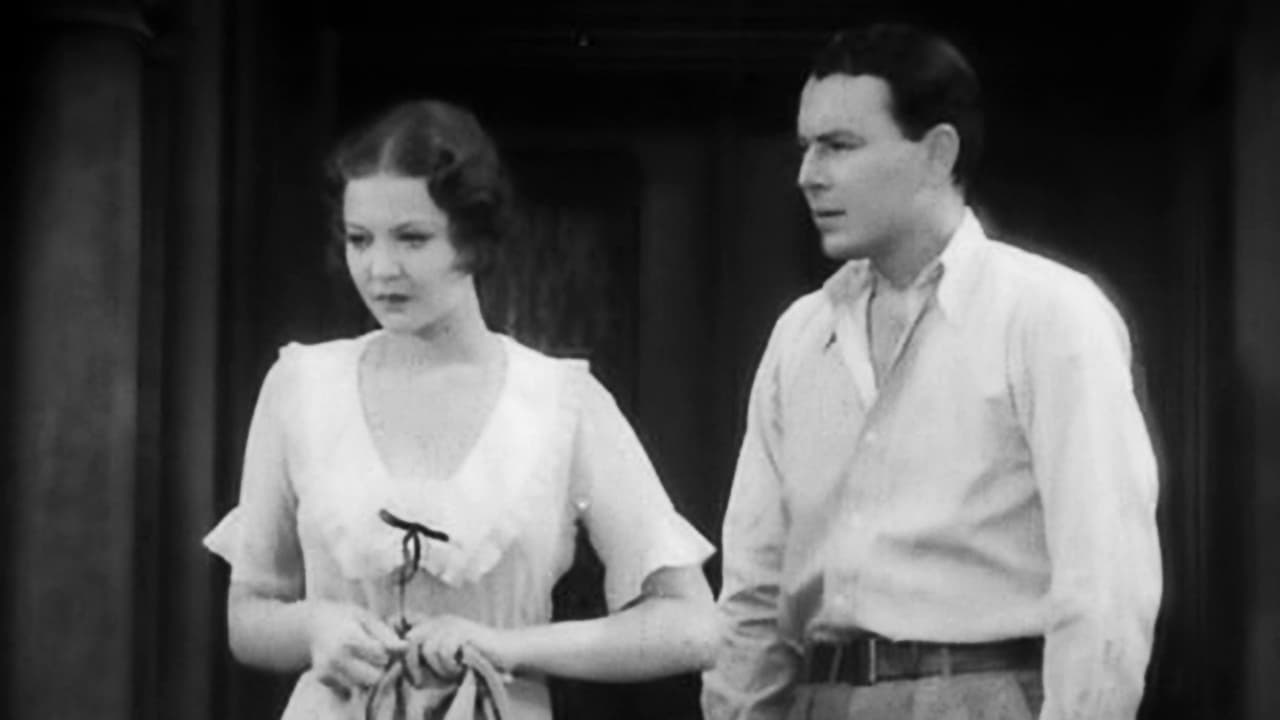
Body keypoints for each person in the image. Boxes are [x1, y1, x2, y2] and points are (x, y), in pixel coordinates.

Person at [701, 23, 1162, 720]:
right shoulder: (801, 335)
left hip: (979, 692)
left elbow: (1104, 581)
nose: (808, 174)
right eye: (806, 147)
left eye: (839, 145)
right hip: (817, 695)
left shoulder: (1048, 314)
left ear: (937, 153)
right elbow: (754, 588)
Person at [204, 99, 719, 719]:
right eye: (360, 239)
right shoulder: (300, 387)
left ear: (472, 241)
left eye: (412, 239)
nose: (381, 268)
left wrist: (509, 646)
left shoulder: (559, 402)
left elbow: (691, 625)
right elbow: (249, 615)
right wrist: (316, 627)